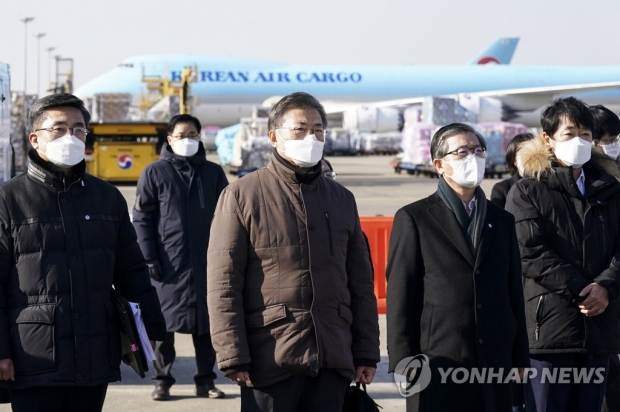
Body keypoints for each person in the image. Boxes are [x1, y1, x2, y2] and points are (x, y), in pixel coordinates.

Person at [207, 92, 380, 412]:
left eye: (318, 130)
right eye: (300, 129)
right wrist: (232, 354)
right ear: (274, 137)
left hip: (332, 356)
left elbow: (360, 283)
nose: (310, 137)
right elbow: (223, 284)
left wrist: (366, 351)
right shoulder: (242, 195)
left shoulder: (342, 198)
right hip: (270, 360)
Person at [0, 93, 167, 412]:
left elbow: (132, 271)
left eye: (78, 129)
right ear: (35, 139)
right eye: (59, 129)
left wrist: (153, 330)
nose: (70, 136)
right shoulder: (8, 201)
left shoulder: (107, 198)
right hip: (32, 358)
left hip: (93, 355)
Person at [386, 122, 530, 412]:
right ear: (440, 164)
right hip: (438, 359)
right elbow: (401, 296)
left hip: (493, 360)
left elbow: (514, 293)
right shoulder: (415, 218)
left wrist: (519, 360)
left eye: (478, 151)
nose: (473, 158)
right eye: (462, 152)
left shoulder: (501, 221)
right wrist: (405, 360)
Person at [505, 97, 620, 412]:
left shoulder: (610, 190)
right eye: (570, 134)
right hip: (550, 330)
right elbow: (529, 250)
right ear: (547, 139)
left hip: (600, 328)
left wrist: (606, 287)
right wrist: (583, 291)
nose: (579, 142)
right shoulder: (528, 190)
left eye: (585, 134)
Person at [133, 114, 228, 401]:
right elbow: (142, 219)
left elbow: (228, 217)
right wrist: (149, 258)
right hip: (168, 264)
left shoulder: (213, 173)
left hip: (206, 264)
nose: (188, 140)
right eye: (182, 135)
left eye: (193, 135)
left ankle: (206, 381)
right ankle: (162, 380)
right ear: (169, 139)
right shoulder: (155, 172)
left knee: (207, 328)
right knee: (164, 329)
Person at [589, 104, 620, 412]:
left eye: (616, 137)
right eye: (607, 138)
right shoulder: (590, 179)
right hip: (593, 288)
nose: (613, 144)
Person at [490, 132, 535, 208]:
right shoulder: (502, 189)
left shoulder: (549, 184)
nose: (529, 158)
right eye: (524, 153)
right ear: (514, 161)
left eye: (533, 152)